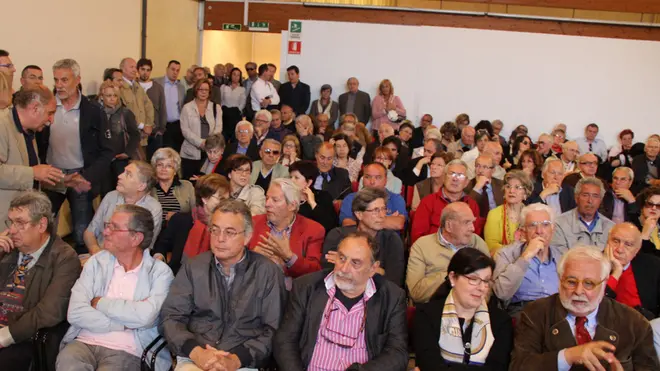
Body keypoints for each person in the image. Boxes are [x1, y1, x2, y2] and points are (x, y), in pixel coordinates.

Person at [160, 199, 286, 371]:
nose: (220, 239)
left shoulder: (267, 272)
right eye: (215, 230)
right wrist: (196, 352)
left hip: (243, 361)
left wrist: (236, 359)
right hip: (196, 356)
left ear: (247, 237)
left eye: (230, 232)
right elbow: (171, 317)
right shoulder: (194, 267)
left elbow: (273, 330)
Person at [56, 205, 174, 371]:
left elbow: (146, 317)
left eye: (115, 228)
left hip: (128, 350)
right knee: (67, 362)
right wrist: (124, 324)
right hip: (83, 343)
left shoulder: (159, 273)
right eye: (107, 225)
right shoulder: (96, 263)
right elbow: (75, 313)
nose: (105, 232)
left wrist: (100, 303)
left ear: (136, 238)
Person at [273, 232, 408, 371]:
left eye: (355, 263)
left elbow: (397, 353)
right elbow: (285, 340)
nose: (344, 269)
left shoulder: (391, 297)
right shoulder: (306, 287)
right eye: (342, 258)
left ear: (373, 268)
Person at [509, 246, 659, 371]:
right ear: (560, 280)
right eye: (571, 282)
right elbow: (519, 366)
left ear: (604, 284)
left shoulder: (634, 323)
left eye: (589, 283)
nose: (579, 291)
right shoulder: (535, 313)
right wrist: (568, 356)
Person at [39, 59, 114, 253]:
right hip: (52, 175)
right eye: (56, 80)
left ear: (77, 79)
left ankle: (82, 270)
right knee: (42, 226)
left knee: (82, 230)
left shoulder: (93, 110)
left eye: (64, 80)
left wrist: (87, 176)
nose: (59, 85)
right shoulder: (46, 106)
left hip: (80, 175)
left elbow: (107, 151)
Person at [0, 191, 81, 370]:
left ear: (42, 224)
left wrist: (5, 336)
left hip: (22, 338)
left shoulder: (64, 258)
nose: (12, 230)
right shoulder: (6, 248)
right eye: (11, 222)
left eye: (20, 223)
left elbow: (50, 311)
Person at [414, 248, 513, 370]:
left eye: (486, 281)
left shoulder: (501, 321)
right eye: (473, 279)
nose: (482, 287)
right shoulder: (426, 315)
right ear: (452, 277)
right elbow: (429, 364)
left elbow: (497, 367)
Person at [0, 87, 62, 232]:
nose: (51, 120)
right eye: (50, 113)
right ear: (35, 108)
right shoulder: (2, 125)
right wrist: (32, 173)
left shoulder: (28, 130)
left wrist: (55, 179)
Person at [407, 202, 489, 304]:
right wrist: (452, 275)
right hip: (434, 308)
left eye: (472, 222)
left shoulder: (478, 243)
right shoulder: (422, 246)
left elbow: (490, 287)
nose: (472, 228)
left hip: (472, 308)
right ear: (449, 226)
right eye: (466, 222)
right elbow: (416, 293)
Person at [249, 179, 324, 288]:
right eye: (267, 198)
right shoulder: (254, 222)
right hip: (255, 289)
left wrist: (289, 258)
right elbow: (234, 256)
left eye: (275, 200)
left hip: (291, 295)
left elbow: (315, 272)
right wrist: (252, 256)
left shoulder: (313, 230)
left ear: (292, 206)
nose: (267, 204)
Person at [323, 188, 405, 287]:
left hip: (379, 297)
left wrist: (348, 263)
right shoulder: (337, 236)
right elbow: (329, 275)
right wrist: (378, 271)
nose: (382, 215)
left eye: (383, 209)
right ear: (359, 214)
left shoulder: (392, 240)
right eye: (375, 210)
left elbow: (394, 281)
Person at [153, 173, 230, 274]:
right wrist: (159, 256)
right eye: (221, 199)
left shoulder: (228, 225)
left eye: (227, 199)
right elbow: (162, 245)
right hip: (178, 275)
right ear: (205, 198)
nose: (225, 204)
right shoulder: (180, 220)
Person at [492, 203, 561, 315]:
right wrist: (526, 256)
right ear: (523, 231)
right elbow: (501, 293)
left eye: (545, 225)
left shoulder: (563, 256)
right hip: (523, 311)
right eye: (532, 225)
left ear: (553, 230)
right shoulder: (506, 254)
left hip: (557, 311)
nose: (539, 231)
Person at [84, 161, 162, 254]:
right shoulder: (111, 196)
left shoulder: (153, 208)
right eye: (123, 172)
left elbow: (142, 249)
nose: (119, 176)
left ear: (141, 186)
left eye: (128, 174)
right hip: (99, 253)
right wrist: (95, 250)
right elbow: (90, 232)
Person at [411, 160, 482, 244]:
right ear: (444, 178)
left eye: (460, 176)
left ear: (466, 182)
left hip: (462, 253)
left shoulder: (472, 205)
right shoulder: (428, 202)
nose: (455, 179)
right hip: (433, 252)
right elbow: (418, 237)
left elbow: (474, 237)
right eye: (451, 174)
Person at [603, 223, 660, 320]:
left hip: (645, 324)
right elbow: (596, 303)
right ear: (607, 242)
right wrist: (616, 272)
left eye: (628, 244)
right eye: (615, 241)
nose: (620, 249)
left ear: (637, 250)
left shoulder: (653, 265)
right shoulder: (593, 264)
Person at [98, 80, 141, 197]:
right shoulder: (96, 112)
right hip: (103, 160)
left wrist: (127, 153)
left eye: (115, 95)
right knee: (106, 193)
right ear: (102, 97)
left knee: (122, 191)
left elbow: (135, 134)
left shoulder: (125, 113)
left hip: (120, 160)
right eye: (108, 96)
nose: (112, 98)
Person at [551, 177, 615, 254]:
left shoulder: (611, 228)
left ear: (600, 200)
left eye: (595, 196)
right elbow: (560, 259)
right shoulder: (559, 224)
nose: (590, 201)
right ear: (576, 198)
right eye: (585, 195)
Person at [339, 163, 407, 229]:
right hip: (360, 238)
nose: (372, 182)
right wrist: (385, 219)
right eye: (367, 177)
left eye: (378, 177)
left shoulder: (396, 199)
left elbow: (398, 224)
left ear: (386, 180)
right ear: (362, 179)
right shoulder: (351, 198)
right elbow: (348, 225)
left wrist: (362, 220)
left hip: (388, 239)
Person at [180, 79, 223, 180]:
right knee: (190, 182)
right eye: (201, 89)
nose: (203, 92)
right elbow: (185, 130)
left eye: (206, 90)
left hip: (210, 153)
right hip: (190, 153)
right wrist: (200, 142)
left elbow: (218, 127)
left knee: (206, 182)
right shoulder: (187, 108)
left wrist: (209, 143)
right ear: (196, 90)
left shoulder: (216, 108)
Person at [484, 170, 534, 254]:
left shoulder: (530, 215)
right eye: (508, 186)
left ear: (525, 193)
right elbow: (492, 247)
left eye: (517, 187)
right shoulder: (494, 214)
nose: (511, 191)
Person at [118, 58, 155, 159]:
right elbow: (124, 112)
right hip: (129, 138)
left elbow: (149, 106)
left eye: (135, 67)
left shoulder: (137, 86)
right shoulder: (120, 88)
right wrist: (142, 126)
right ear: (122, 69)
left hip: (143, 137)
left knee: (142, 166)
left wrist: (148, 125)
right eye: (131, 67)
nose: (135, 70)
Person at [289, 160, 337, 235]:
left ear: (309, 182)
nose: (291, 180)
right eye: (290, 177)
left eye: (296, 178)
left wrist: (312, 203)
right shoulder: (286, 196)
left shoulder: (323, 197)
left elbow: (329, 226)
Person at [149, 148, 196, 225]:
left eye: (169, 166)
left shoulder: (187, 186)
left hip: (181, 231)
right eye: (160, 165)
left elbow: (196, 214)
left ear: (175, 171)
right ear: (154, 168)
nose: (163, 169)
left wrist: (178, 217)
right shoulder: (148, 186)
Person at [137, 58, 167, 159]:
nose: (145, 72)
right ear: (138, 70)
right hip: (138, 131)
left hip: (155, 131)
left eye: (148, 70)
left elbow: (162, 108)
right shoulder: (134, 86)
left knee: (155, 161)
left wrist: (161, 129)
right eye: (143, 69)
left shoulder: (158, 88)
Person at [154, 60, 186, 153]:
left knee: (175, 153)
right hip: (162, 125)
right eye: (173, 69)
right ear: (167, 69)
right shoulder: (156, 82)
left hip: (176, 125)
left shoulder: (181, 87)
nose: (175, 72)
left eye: (177, 70)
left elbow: (181, 106)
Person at [467, 154, 504, 223]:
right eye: (478, 166)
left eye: (485, 167)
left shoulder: (501, 185)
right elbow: (467, 209)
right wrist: (477, 188)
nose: (480, 170)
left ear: (493, 170)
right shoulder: (468, 186)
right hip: (478, 224)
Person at [220, 67, 246, 143]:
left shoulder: (242, 89)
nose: (235, 77)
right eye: (234, 74)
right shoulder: (224, 87)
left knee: (234, 136)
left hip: (235, 114)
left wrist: (237, 110)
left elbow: (243, 103)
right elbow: (221, 100)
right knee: (223, 136)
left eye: (238, 75)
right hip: (225, 113)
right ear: (231, 75)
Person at [633, 187, 660, 258]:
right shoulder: (631, 225)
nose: (654, 208)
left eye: (658, 206)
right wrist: (645, 235)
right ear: (642, 206)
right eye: (650, 204)